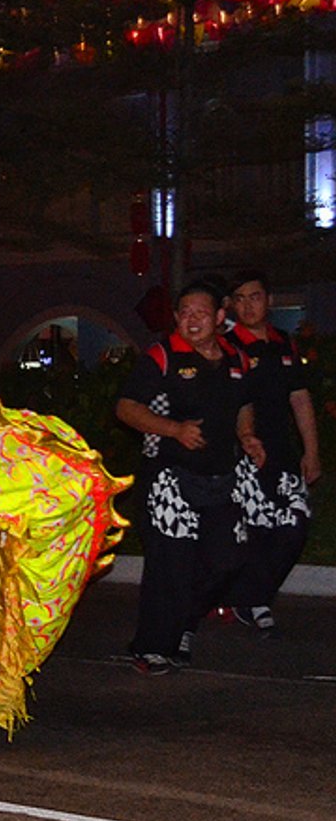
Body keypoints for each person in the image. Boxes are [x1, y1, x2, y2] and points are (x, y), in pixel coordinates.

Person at [116, 280, 262, 674]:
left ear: (219, 317)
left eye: (200, 312)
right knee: (170, 565)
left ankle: (184, 623)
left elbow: (243, 403)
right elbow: (127, 408)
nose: (191, 320)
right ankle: (150, 647)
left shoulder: (237, 358)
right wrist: (174, 429)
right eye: (184, 312)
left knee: (226, 561)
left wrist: (247, 435)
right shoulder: (162, 356)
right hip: (169, 477)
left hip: (221, 476)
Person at [221, 270, 321, 633]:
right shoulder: (228, 346)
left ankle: (249, 596)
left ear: (270, 300)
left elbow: (300, 399)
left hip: (282, 451)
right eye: (240, 298)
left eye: (255, 297)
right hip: (244, 452)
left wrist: (311, 452)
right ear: (231, 305)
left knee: (295, 524)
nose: (248, 305)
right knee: (259, 528)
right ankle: (253, 600)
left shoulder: (284, 343)